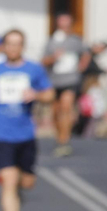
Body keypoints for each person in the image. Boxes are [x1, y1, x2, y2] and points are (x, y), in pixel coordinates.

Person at [0, 30, 50, 211]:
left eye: (17, 44)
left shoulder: (33, 69)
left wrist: (37, 95)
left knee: (26, 183)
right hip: (1, 133)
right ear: (3, 46)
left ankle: (18, 184)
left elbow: (50, 94)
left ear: (23, 46)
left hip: (25, 133)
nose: (13, 48)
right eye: (9, 44)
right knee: (9, 182)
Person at [40, 13, 88, 157]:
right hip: (54, 80)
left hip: (70, 80)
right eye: (62, 24)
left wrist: (81, 67)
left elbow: (86, 54)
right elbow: (43, 61)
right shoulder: (52, 41)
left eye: (67, 24)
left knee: (66, 108)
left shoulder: (76, 40)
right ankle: (59, 136)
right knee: (56, 112)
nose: (64, 27)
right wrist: (54, 58)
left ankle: (64, 141)